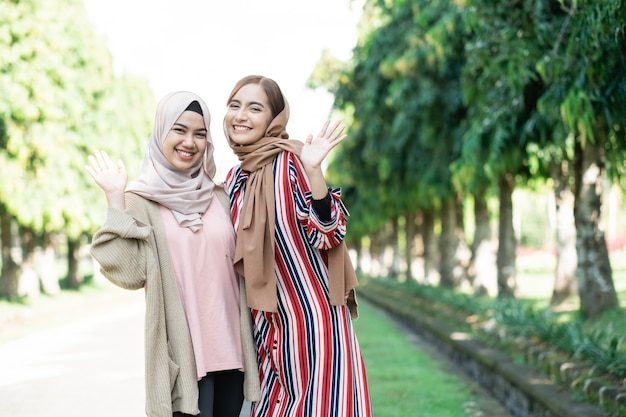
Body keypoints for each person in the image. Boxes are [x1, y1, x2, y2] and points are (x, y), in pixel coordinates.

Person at [86, 91, 260, 417]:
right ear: (161, 131)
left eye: (200, 133)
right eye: (179, 130)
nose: (189, 142)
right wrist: (114, 200)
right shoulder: (141, 200)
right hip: (184, 359)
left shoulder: (221, 196)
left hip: (233, 355)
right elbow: (129, 272)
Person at [223, 75, 373, 417]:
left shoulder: (295, 163)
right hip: (265, 335)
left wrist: (315, 173)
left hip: (316, 331)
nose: (241, 115)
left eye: (254, 108)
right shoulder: (232, 181)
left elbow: (329, 233)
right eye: (235, 105)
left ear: (274, 118)